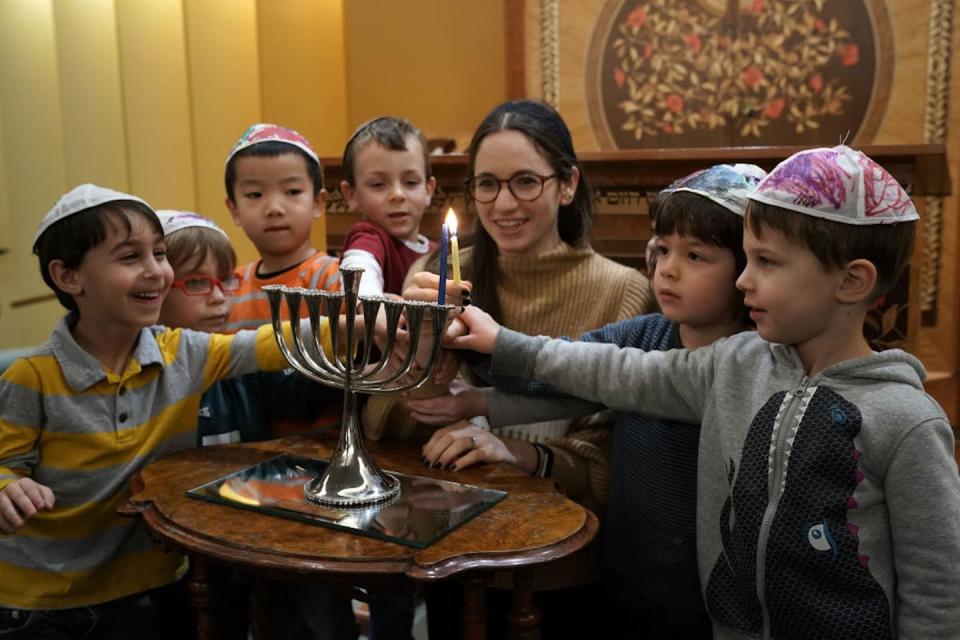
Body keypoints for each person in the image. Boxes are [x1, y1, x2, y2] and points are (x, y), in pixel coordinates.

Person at [447, 146, 960, 638]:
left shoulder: (907, 420)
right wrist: (503, 344)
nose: (744, 281)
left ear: (851, 282)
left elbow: (937, 589)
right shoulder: (737, 364)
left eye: (766, 263)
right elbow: (616, 371)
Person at [409, 164, 765, 638]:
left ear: (746, 270)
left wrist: (499, 350)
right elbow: (566, 374)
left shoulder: (753, 360)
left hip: (703, 601)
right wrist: (474, 390)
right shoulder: (644, 333)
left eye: (695, 255)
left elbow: (596, 373)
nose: (667, 268)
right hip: (624, 578)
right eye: (661, 249)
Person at [0, 184, 333, 639]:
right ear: (68, 276)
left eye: (159, 253)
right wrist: (7, 487)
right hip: (43, 607)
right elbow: (4, 464)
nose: (156, 270)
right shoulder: (31, 377)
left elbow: (276, 341)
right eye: (130, 257)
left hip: (153, 590)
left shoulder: (184, 354)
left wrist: (371, 320)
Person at [378, 99, 654, 638]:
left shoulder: (624, 293)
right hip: (451, 558)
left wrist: (517, 452)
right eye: (487, 184)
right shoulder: (431, 278)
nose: (504, 203)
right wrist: (414, 362)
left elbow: (609, 464)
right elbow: (379, 429)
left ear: (567, 184)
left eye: (526, 181)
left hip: (559, 575)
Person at [157, 209, 357, 640]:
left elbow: (299, 390)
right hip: (179, 563)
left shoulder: (237, 364)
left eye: (226, 280)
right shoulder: (154, 382)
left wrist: (365, 354)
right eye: (196, 283)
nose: (218, 297)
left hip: (247, 546)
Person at [224, 123, 340, 334]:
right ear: (234, 210)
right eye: (255, 195)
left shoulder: (334, 278)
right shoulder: (229, 289)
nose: (274, 208)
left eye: (292, 191)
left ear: (317, 202)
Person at [338, 116, 438, 299]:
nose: (397, 194)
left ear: (428, 189)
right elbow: (359, 269)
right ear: (351, 194)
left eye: (411, 182)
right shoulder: (368, 237)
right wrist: (370, 304)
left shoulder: (437, 251)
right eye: (378, 184)